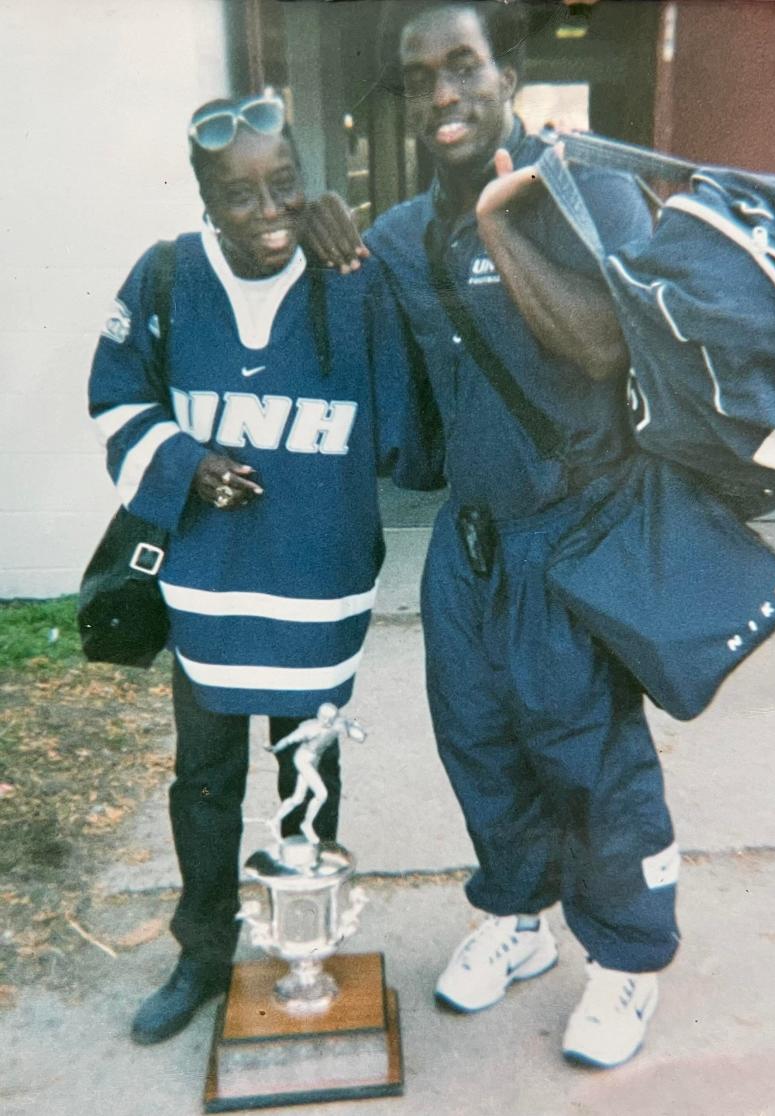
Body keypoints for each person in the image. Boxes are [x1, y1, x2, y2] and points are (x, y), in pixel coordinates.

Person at [306, 1, 679, 1069]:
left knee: (590, 751)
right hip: (469, 542)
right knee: (477, 737)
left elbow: (608, 348)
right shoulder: (398, 236)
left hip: (577, 526)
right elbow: (377, 374)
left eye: (462, 68)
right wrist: (325, 245)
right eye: (420, 79)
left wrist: (502, 225)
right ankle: (518, 918)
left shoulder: (584, 188)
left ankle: (626, 958)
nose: (442, 97)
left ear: (505, 71)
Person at [88, 89, 439, 1044]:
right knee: (204, 781)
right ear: (204, 195)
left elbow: (418, 429)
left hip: (317, 585)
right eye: (240, 195)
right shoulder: (165, 277)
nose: (270, 211)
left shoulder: (351, 279)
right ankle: (203, 952)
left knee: (308, 779)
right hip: (205, 585)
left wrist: (372, 260)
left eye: (284, 185)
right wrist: (185, 464)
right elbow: (117, 400)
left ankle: (305, 950)